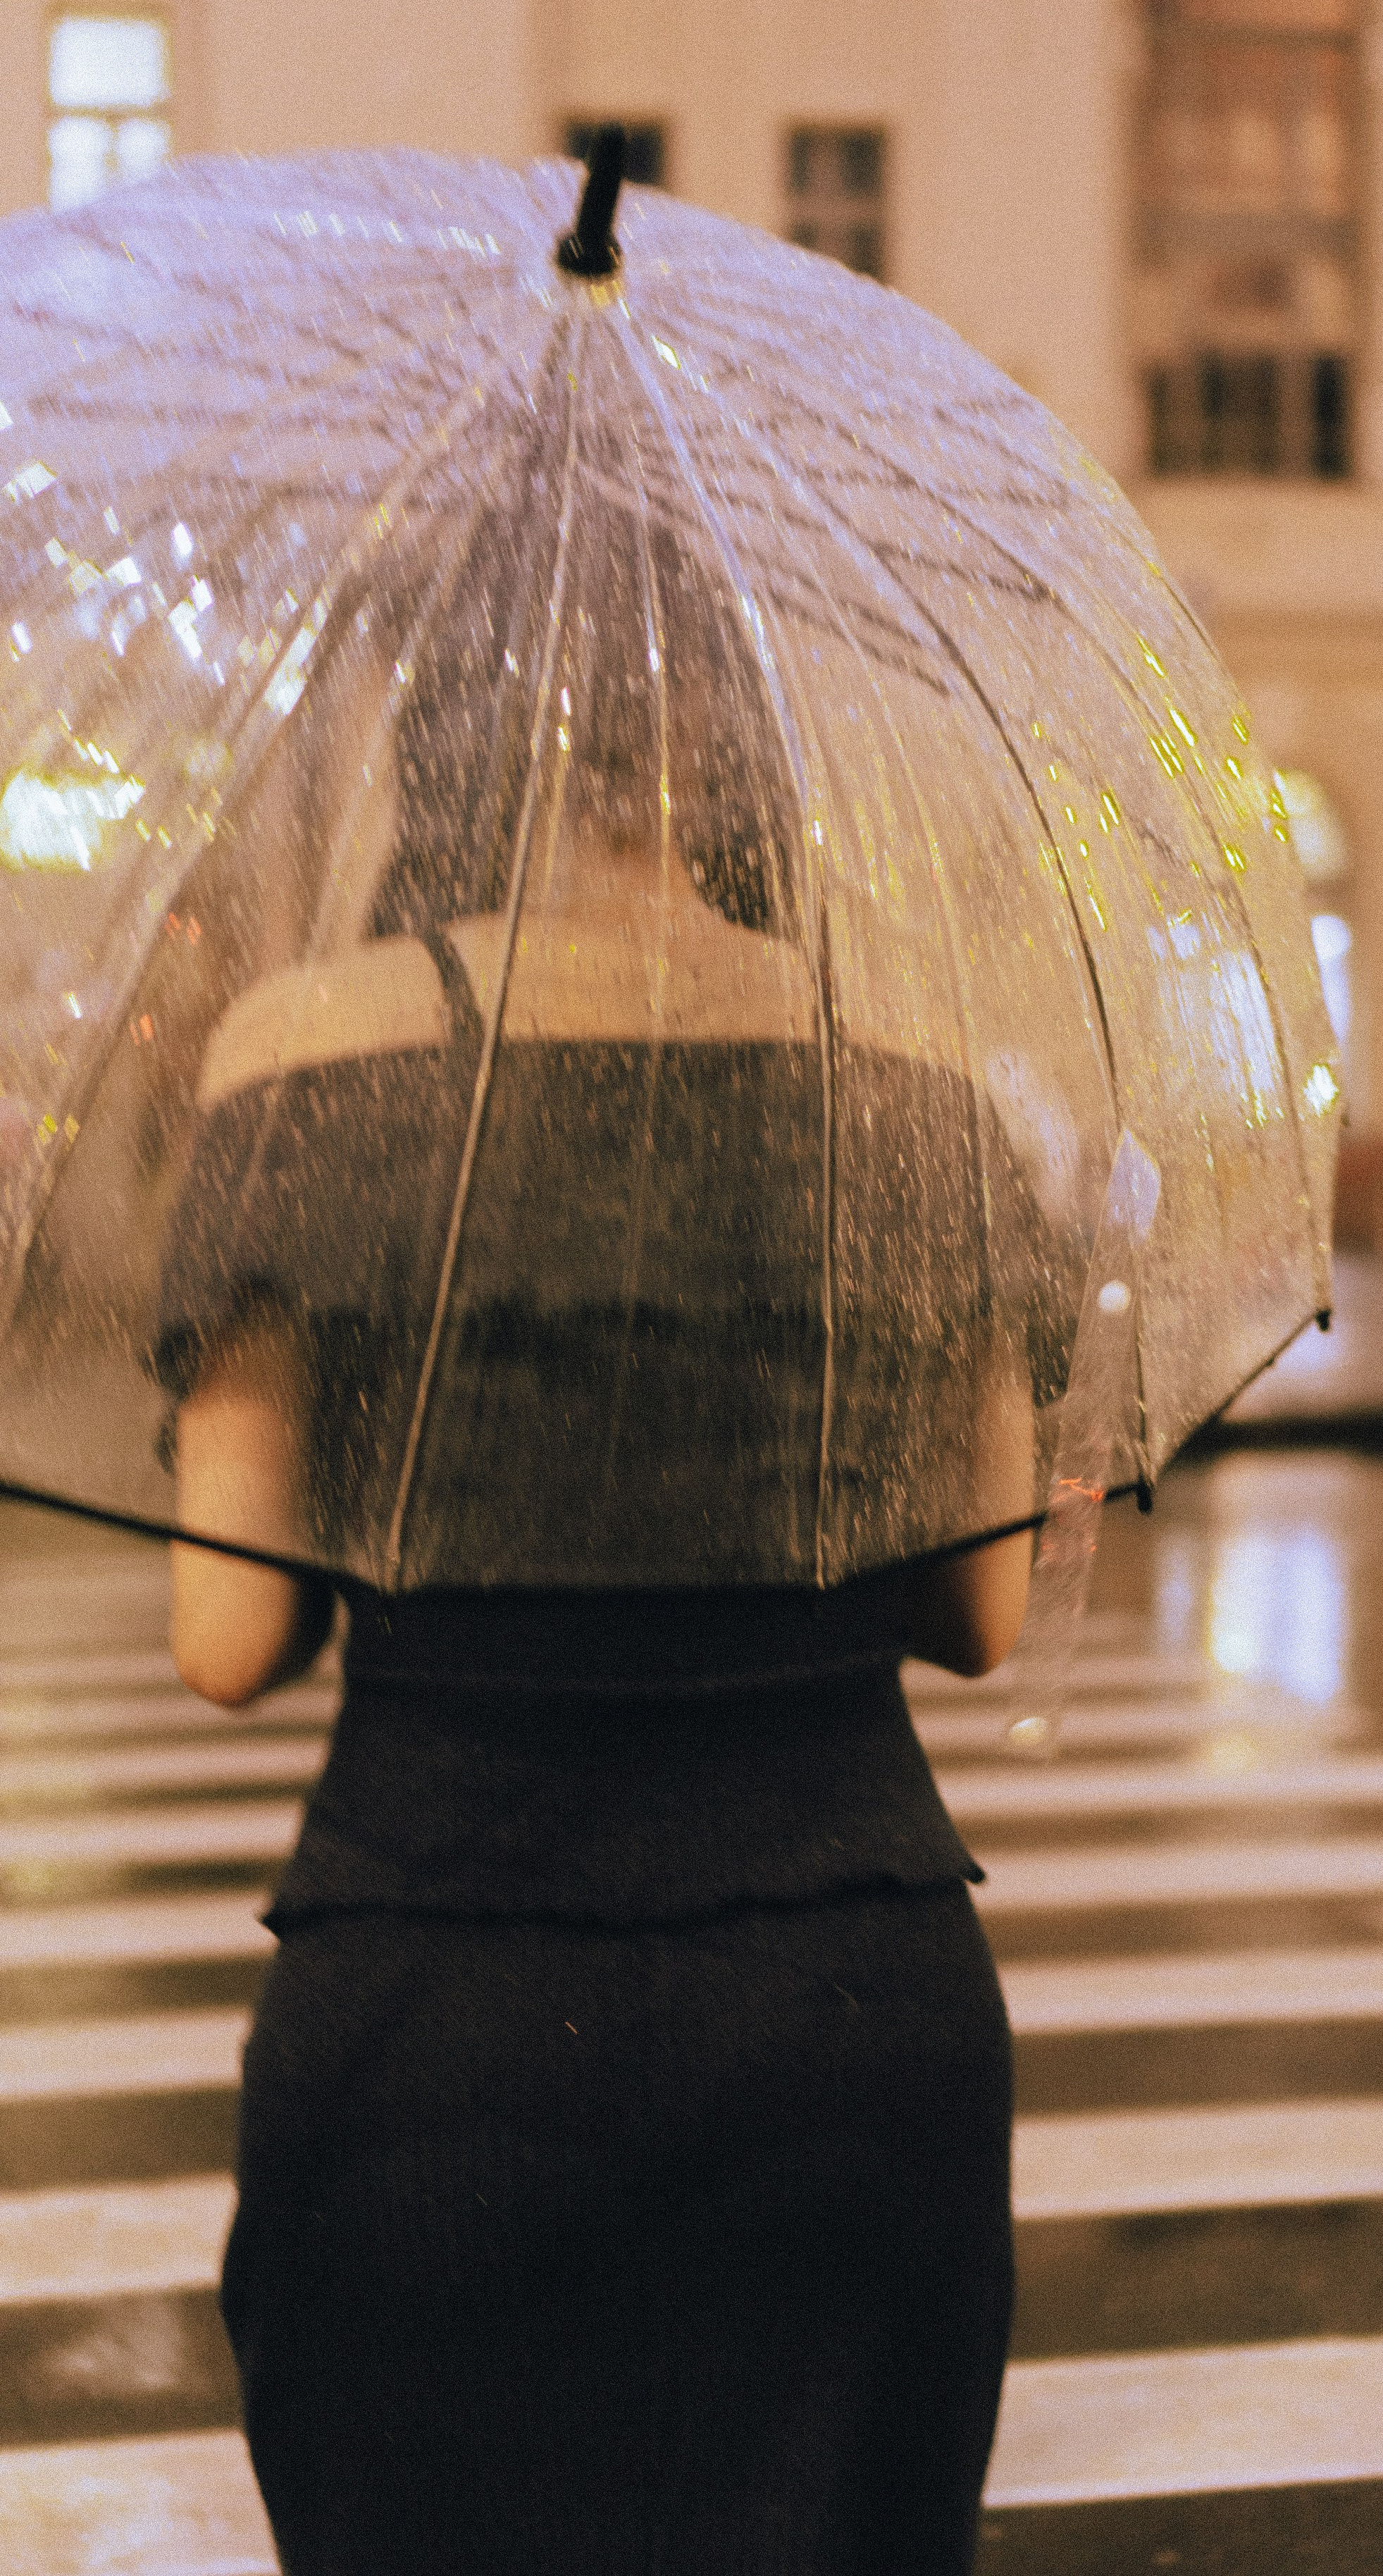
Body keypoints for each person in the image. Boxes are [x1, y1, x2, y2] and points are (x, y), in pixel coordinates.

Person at [159, 679, 1048, 2574]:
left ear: (458, 746)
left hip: (444, 2003)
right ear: (740, 756)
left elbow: (229, 1635)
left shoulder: (304, 1058)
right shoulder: (918, 1067)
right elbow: (987, 1608)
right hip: (850, 2003)